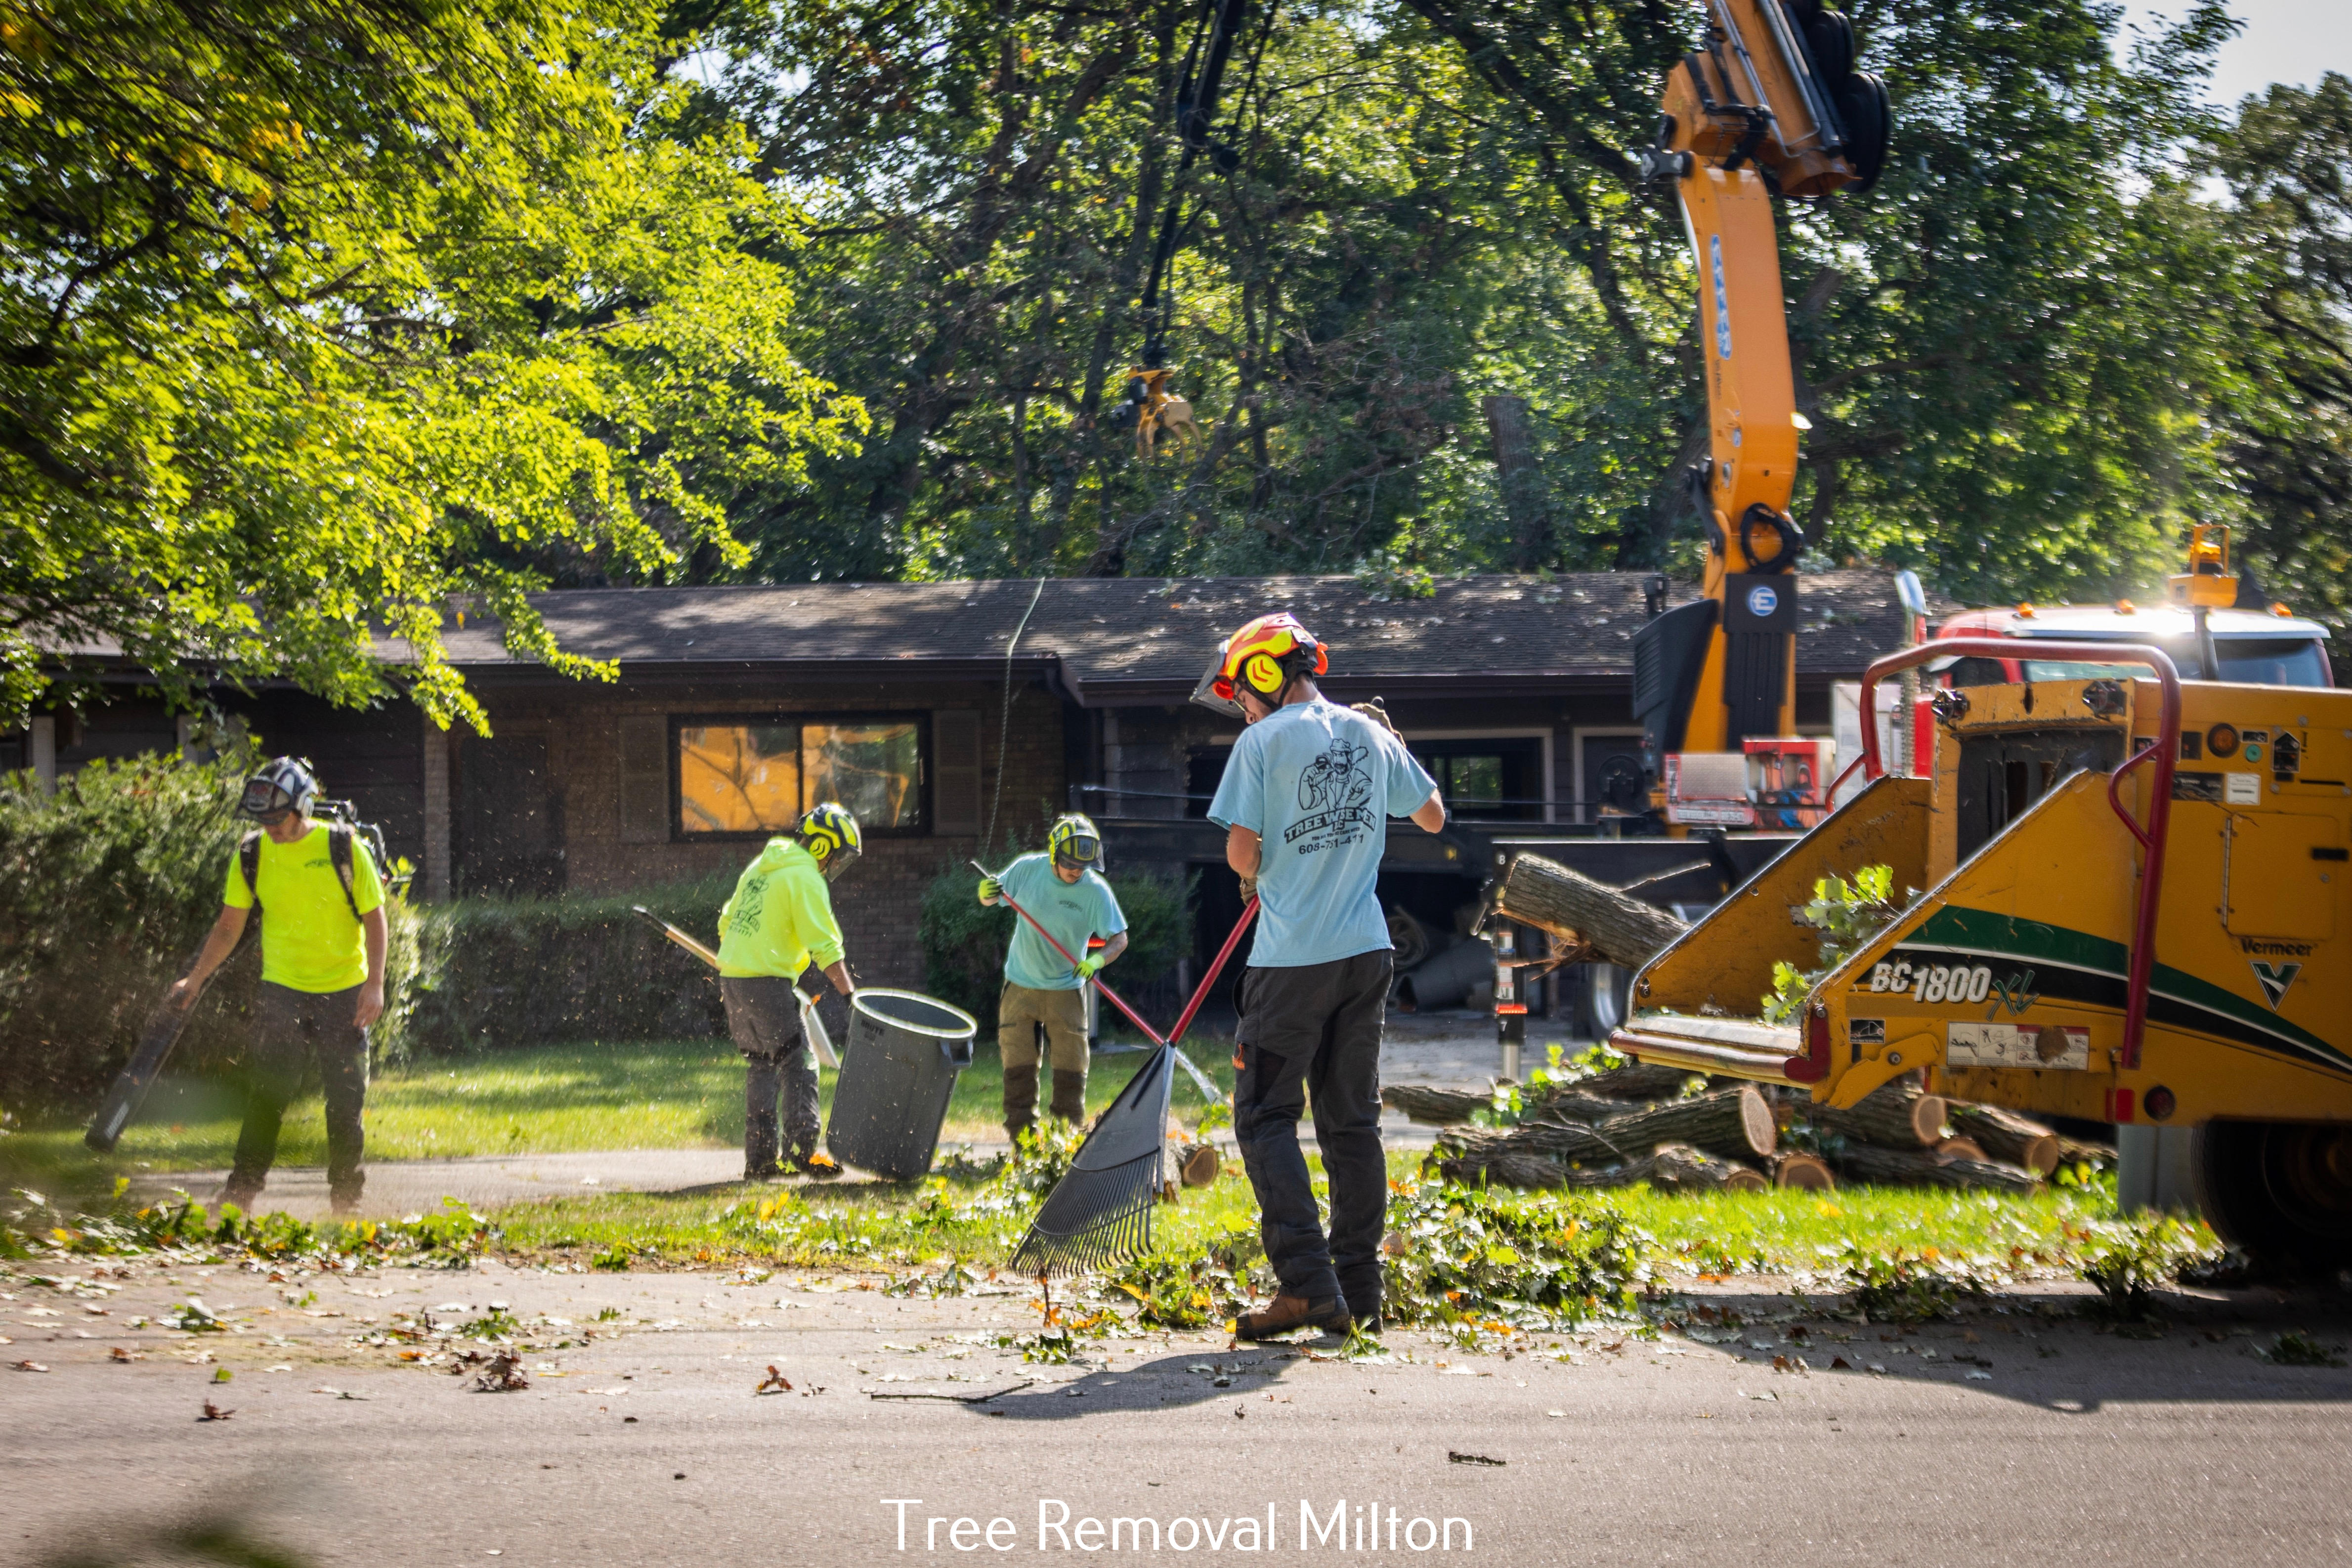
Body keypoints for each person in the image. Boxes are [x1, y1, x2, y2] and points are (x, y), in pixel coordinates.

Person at [1203, 614, 1446, 1339]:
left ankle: (1308, 1286)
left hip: (1291, 961)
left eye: (1240, 690)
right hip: (1366, 952)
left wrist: (1265, 864)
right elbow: (1431, 816)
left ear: (1267, 674)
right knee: (1350, 1121)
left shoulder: (1260, 741)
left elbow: (1242, 859)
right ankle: (1360, 1291)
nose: (1240, 706)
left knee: (1263, 1116)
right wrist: (1390, 748)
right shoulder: (1368, 734)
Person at [170, 758, 388, 1215]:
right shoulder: (253, 853)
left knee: (344, 1102)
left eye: (278, 819)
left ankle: (347, 1201)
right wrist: (195, 979)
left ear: (304, 806)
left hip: (345, 991)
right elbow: (229, 927)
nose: (271, 828)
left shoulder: (344, 848)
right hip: (283, 991)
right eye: (264, 821)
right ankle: (240, 1194)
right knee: (267, 1095)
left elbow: (374, 918)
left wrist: (375, 984)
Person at [717, 802, 860, 1179]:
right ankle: (803, 1152)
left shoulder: (760, 868)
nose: (836, 866)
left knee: (762, 1065)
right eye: (838, 857)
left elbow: (726, 921)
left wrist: (744, 960)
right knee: (800, 1062)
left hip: (731, 978)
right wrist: (850, 996)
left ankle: (761, 1161)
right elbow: (825, 946)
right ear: (821, 846)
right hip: (766, 982)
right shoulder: (805, 877)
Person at [977, 813, 1128, 1137]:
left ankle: (1065, 1142)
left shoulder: (1095, 891)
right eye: (1070, 862)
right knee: (1018, 1068)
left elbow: (1119, 939)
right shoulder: (1026, 870)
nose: (1076, 870)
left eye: (1083, 865)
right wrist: (985, 891)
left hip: (1066, 991)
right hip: (1020, 986)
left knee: (1070, 1071)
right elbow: (991, 898)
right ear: (1053, 853)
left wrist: (1095, 961)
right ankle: (1022, 1142)